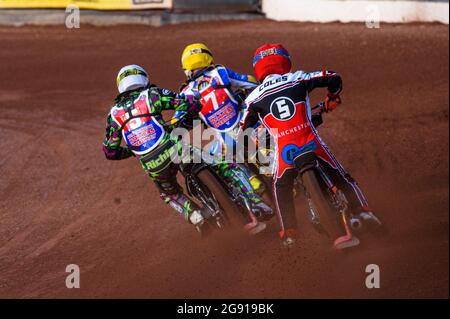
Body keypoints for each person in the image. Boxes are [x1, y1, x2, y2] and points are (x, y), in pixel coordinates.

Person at [240, 44, 381, 247]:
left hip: (284, 152)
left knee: (280, 188)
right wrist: (332, 97)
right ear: (285, 60)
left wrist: (252, 146)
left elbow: (243, 133)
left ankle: (289, 233)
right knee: (342, 176)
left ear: (257, 68)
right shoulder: (298, 77)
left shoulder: (252, 98)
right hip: (310, 140)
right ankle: (365, 210)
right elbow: (333, 76)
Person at [102, 64, 208, 232]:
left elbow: (110, 151)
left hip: (152, 165)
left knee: (170, 194)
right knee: (210, 159)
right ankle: (243, 192)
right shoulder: (150, 95)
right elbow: (184, 102)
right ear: (144, 78)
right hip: (173, 148)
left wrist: (131, 150)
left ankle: (196, 217)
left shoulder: (114, 114)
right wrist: (184, 116)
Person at [178, 43, 273, 220]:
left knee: (220, 163)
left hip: (224, 142)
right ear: (207, 58)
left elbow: (178, 118)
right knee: (268, 131)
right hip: (246, 127)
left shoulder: (185, 92)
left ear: (188, 68)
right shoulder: (220, 72)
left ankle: (252, 195)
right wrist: (242, 97)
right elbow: (249, 82)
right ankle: (279, 169)